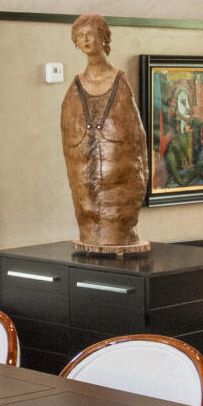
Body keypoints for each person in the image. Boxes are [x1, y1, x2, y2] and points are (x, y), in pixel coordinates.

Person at [57, 13, 149, 255]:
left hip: (118, 187)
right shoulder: (76, 87)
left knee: (115, 223)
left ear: (103, 38)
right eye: (80, 36)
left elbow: (137, 145)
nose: (86, 40)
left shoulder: (119, 82)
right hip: (84, 190)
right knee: (87, 215)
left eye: (91, 34)